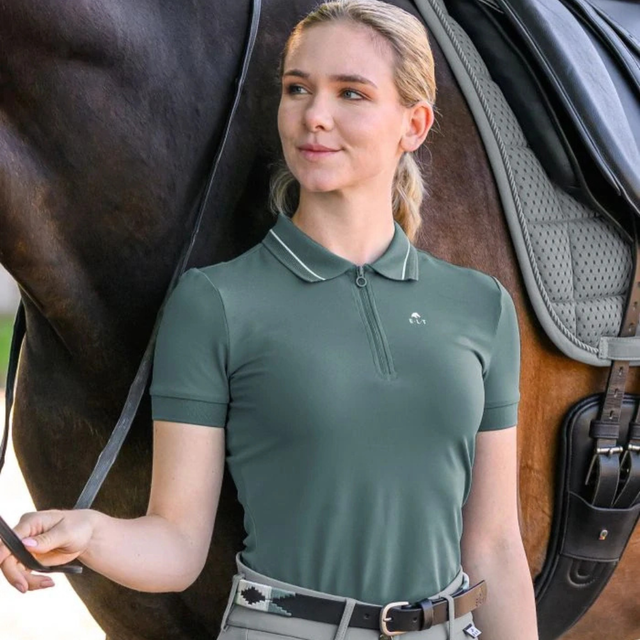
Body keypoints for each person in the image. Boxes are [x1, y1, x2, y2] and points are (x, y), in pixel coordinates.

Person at [0, 1, 539, 639]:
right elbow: (177, 545)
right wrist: (88, 532)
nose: (315, 115)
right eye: (297, 89)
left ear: (414, 124)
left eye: (352, 93)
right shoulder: (215, 303)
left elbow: (495, 546)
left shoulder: (479, 306)